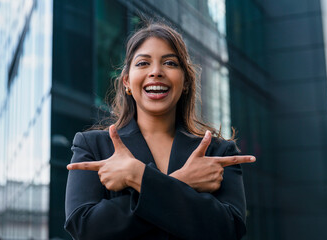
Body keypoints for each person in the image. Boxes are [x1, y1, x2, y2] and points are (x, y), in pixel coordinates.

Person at [64, 22, 256, 240]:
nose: (156, 72)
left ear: (185, 82)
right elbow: (87, 230)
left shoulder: (219, 153)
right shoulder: (93, 146)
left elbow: (227, 231)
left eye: (170, 63)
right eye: (143, 63)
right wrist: (181, 181)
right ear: (126, 81)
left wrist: (138, 176)